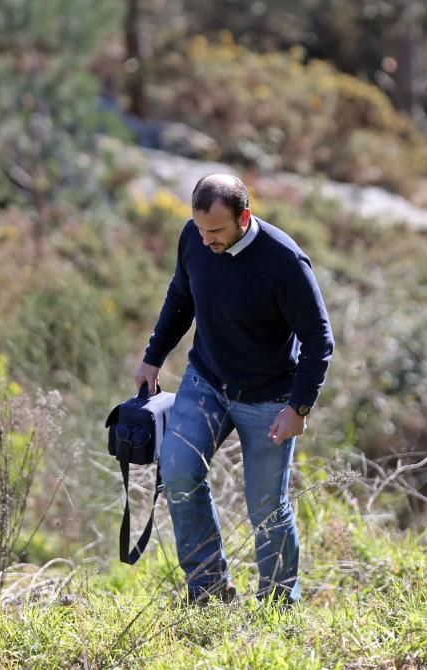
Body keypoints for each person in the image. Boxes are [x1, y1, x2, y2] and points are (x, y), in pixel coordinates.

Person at [135, 174, 334, 606]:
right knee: (179, 473)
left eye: (216, 231)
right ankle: (208, 590)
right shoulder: (194, 236)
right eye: (200, 228)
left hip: (269, 399)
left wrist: (298, 407)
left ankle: (280, 605)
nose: (206, 240)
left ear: (244, 217)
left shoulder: (284, 261)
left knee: (266, 507)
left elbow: (320, 339)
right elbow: (180, 299)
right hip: (206, 381)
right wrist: (153, 357)